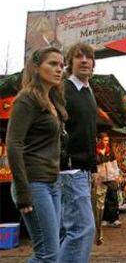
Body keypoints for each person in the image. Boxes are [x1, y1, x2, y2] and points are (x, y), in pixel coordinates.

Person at [6, 47, 67, 262]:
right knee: (48, 254)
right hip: (34, 183)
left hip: (52, 183)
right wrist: (23, 192)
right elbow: (13, 145)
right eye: (52, 64)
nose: (59, 69)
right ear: (36, 67)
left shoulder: (52, 101)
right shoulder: (26, 99)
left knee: (54, 247)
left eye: (61, 65)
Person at [59, 43, 97, 262]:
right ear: (70, 63)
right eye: (78, 57)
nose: (84, 60)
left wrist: (94, 168)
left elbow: (88, 133)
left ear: (93, 64)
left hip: (82, 170)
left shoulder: (88, 92)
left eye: (88, 57)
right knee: (83, 229)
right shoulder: (64, 90)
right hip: (70, 170)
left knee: (68, 231)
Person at [96, 133, 121, 229]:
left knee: (113, 199)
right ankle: (105, 219)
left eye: (107, 140)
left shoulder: (110, 152)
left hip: (111, 178)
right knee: (103, 200)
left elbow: (115, 165)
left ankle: (114, 219)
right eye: (104, 140)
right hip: (101, 179)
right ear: (100, 140)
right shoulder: (96, 152)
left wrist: (117, 176)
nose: (106, 142)